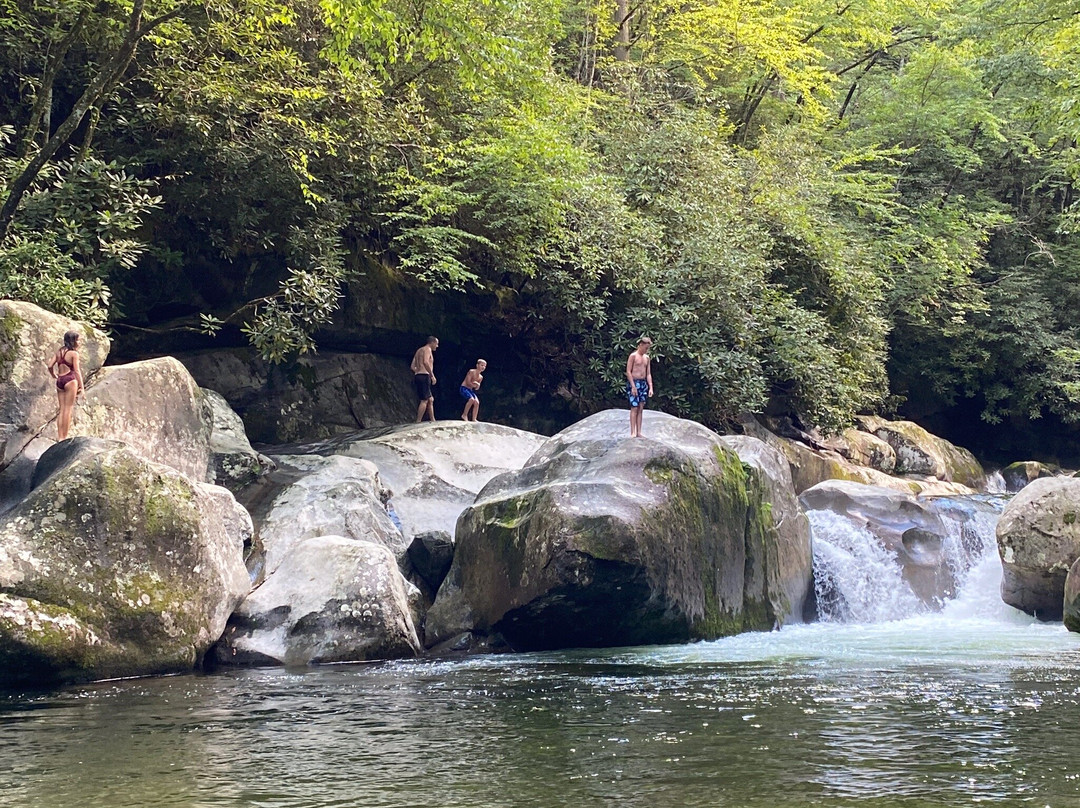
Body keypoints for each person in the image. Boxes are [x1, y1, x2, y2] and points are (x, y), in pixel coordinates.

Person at [47, 330, 84, 441]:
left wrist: (53, 375)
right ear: (73, 341)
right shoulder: (74, 354)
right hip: (70, 380)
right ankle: (64, 437)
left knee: (62, 409)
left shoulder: (59, 352)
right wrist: (82, 387)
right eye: (78, 340)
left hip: (60, 380)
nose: (79, 342)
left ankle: (59, 437)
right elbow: (77, 371)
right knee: (68, 409)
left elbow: (50, 365)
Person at [625, 336, 653, 438]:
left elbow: (648, 373)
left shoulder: (647, 358)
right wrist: (633, 386)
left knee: (641, 407)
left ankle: (639, 432)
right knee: (634, 407)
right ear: (640, 345)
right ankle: (632, 432)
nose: (646, 350)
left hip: (643, 383)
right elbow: (628, 371)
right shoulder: (633, 356)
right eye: (645, 348)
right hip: (634, 382)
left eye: (648, 348)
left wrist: (650, 387)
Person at [410, 336, 439, 422]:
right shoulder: (427, 349)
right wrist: (432, 375)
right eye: (436, 344)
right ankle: (418, 421)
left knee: (430, 399)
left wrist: (418, 371)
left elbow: (412, 366)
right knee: (424, 400)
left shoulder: (419, 350)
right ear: (432, 342)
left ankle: (433, 419)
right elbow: (426, 362)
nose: (437, 346)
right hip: (424, 375)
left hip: (418, 375)